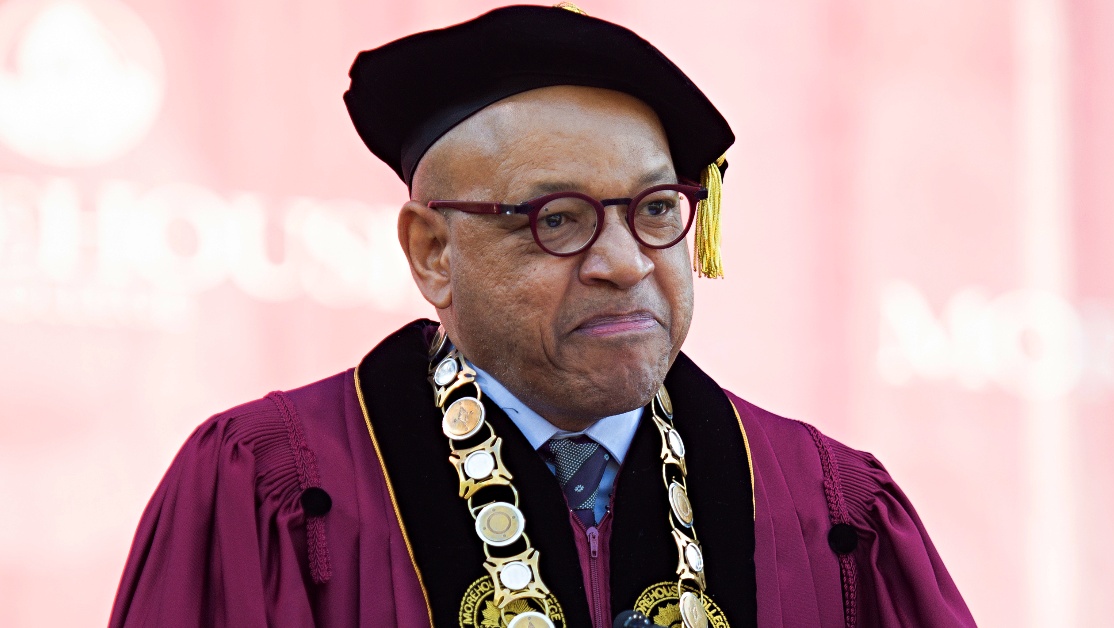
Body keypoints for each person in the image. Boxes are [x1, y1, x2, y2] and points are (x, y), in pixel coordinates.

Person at [109, 5, 974, 628]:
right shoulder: (275, 491)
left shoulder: (827, 508)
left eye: (657, 210)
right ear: (432, 254)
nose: (626, 262)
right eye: (557, 219)